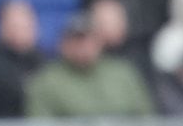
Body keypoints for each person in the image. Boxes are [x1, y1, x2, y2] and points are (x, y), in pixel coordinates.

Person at [25, 12, 156, 118]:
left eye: (88, 38)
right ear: (62, 44)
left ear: (100, 41)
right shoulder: (46, 81)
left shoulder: (123, 74)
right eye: (76, 39)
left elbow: (147, 122)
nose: (83, 46)